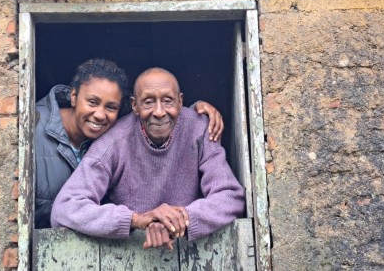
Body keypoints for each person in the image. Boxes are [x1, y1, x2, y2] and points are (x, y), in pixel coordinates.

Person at [51, 67, 244, 250]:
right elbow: (65, 208)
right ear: (134, 105)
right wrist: (137, 220)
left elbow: (230, 195)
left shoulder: (201, 129)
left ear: (180, 101)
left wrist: (179, 219)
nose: (159, 112)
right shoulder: (112, 143)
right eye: (149, 102)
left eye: (168, 100)